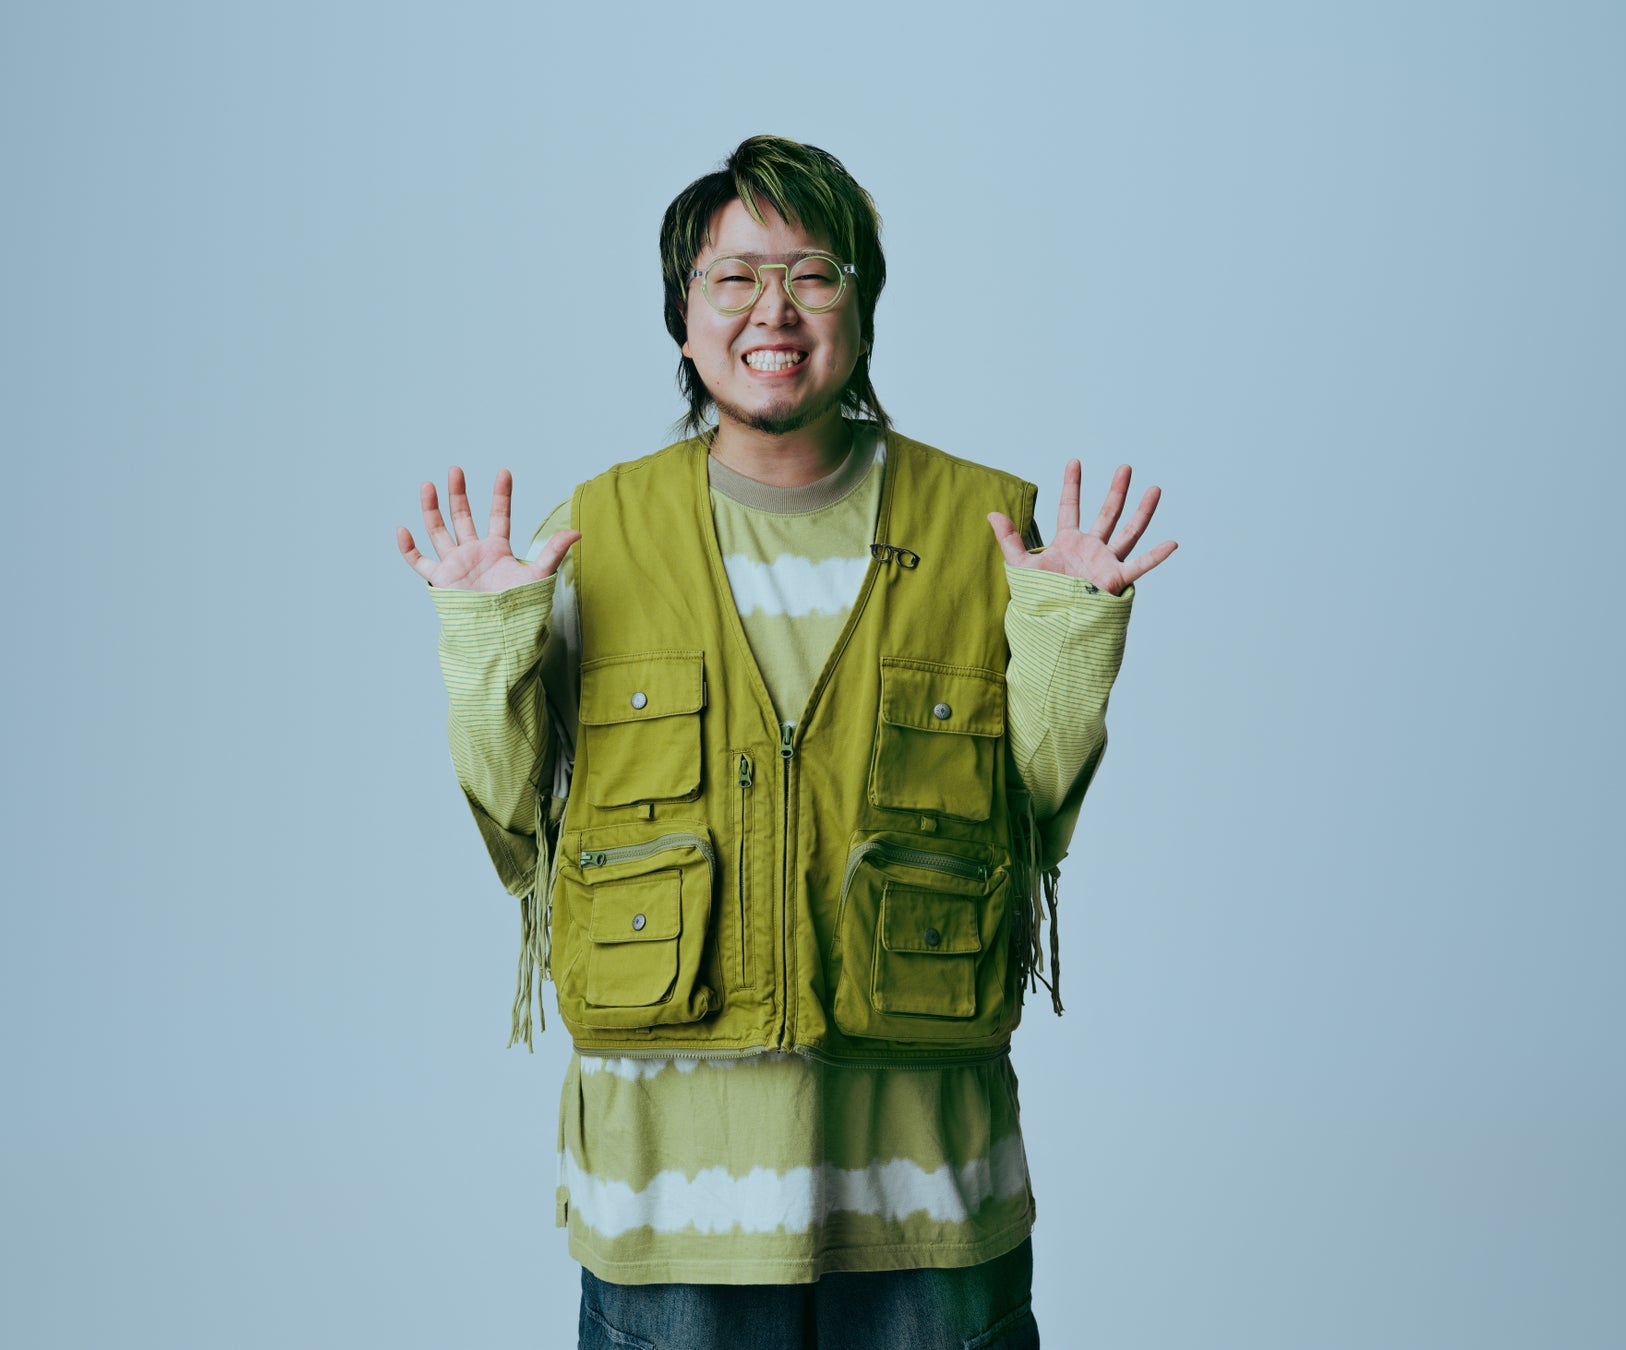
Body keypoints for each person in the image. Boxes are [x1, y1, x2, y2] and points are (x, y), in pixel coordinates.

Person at [396, 135, 1175, 1350]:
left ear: (861, 309)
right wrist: (485, 640)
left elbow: (1034, 814)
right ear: (683, 318)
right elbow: (515, 825)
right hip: (671, 1202)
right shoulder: (589, 534)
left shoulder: (992, 531)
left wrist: (1073, 633)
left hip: (925, 1189)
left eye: (814, 274)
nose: (775, 310)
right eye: (735, 279)